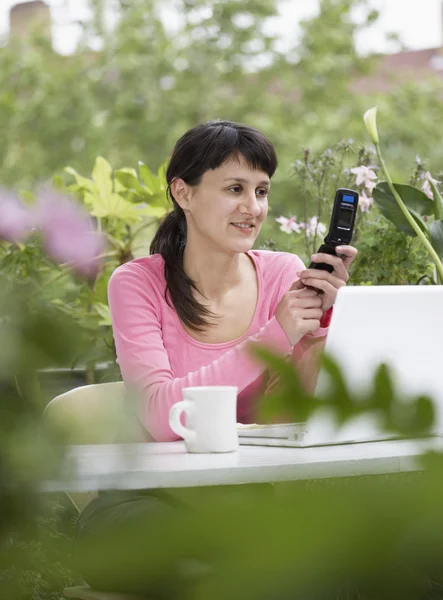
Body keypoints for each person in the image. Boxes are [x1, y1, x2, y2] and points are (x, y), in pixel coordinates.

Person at [75, 120, 357, 596]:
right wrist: (276, 335)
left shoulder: (282, 274)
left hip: (246, 497)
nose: (253, 208)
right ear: (183, 193)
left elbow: (290, 415)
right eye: (234, 189)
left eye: (262, 191)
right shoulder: (137, 283)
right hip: (148, 502)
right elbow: (165, 418)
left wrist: (315, 333)